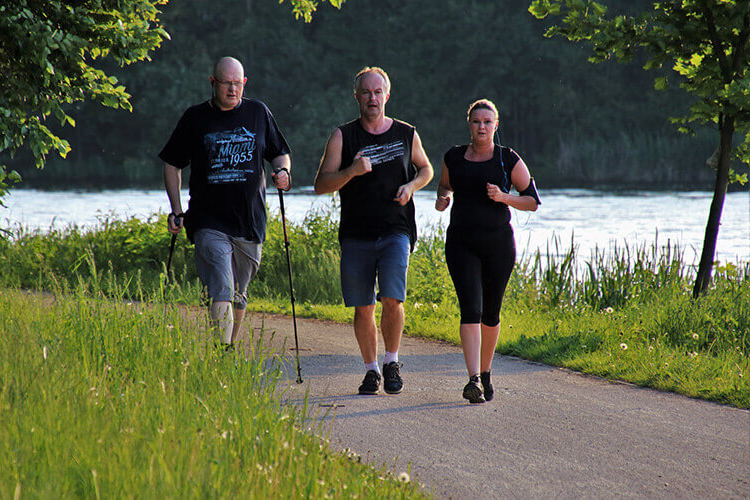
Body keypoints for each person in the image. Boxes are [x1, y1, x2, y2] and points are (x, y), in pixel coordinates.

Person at [314, 67, 434, 395]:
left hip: (396, 229)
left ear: (387, 96)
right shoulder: (343, 136)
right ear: (357, 97)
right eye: (366, 92)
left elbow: (426, 169)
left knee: (393, 298)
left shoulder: (406, 133)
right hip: (356, 234)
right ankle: (370, 370)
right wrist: (351, 171)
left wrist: (411, 186)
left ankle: (391, 361)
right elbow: (321, 184)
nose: (372, 98)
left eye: (378, 92)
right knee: (363, 306)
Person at [159, 56, 292, 348]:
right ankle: (222, 350)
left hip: (249, 221)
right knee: (222, 285)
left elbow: (279, 152)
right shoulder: (195, 118)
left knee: (239, 294)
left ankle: (228, 350)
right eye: (226, 83)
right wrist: (176, 209)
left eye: (237, 83)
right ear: (213, 83)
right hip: (208, 221)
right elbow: (172, 164)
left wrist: (283, 171)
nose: (232, 89)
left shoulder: (258, 112)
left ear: (244, 83)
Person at [435, 99, 541, 404]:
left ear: (496, 125)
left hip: (498, 245)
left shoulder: (508, 160)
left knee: (491, 314)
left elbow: (532, 201)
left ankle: (485, 372)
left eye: (487, 121)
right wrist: (442, 198)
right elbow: (444, 186)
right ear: (468, 124)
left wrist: (504, 197)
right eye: (476, 121)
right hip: (461, 243)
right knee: (471, 308)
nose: (481, 127)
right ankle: (472, 381)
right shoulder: (453, 157)